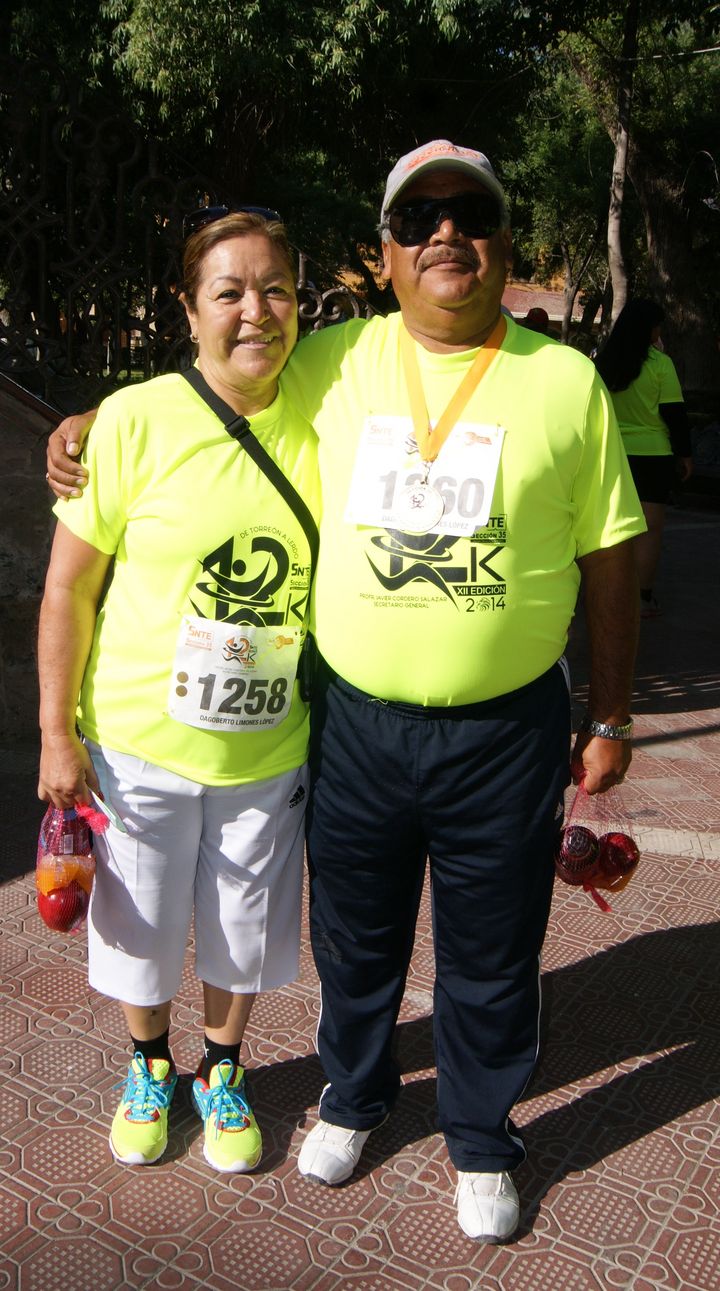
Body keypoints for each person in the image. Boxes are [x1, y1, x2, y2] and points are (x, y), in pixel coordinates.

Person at [47, 140, 644, 1243]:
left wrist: (610, 711)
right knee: (355, 939)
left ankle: (480, 1137)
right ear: (388, 251)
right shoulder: (335, 356)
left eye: (470, 215)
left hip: (505, 729)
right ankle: (354, 1097)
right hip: (356, 722)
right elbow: (216, 379)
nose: (445, 234)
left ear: (503, 239)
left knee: (492, 948)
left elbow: (613, 552)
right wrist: (88, 429)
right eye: (418, 219)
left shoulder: (565, 383)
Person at [38, 210, 319, 1174]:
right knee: (141, 922)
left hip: (266, 746)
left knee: (244, 927)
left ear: (301, 305)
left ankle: (224, 1070)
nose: (256, 311)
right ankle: (151, 1063)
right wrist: (56, 732)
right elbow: (68, 589)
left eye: (276, 290)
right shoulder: (132, 420)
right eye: (229, 292)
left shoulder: (330, 410)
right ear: (189, 310)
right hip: (138, 742)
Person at [594, 298, 692, 616]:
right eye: (657, 326)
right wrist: (685, 454)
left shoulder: (603, 364)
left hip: (611, 453)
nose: (659, 332)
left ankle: (606, 595)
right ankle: (642, 598)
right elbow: (675, 414)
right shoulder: (661, 364)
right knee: (649, 530)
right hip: (653, 456)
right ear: (649, 329)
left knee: (611, 528)